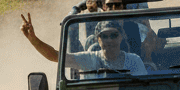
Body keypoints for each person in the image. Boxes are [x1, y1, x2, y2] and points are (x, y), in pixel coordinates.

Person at [20, 14, 148, 76]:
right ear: (98, 40)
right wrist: (33, 39)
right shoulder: (89, 59)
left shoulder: (134, 60)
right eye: (104, 36)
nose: (109, 40)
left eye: (113, 35)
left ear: (121, 37)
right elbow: (55, 56)